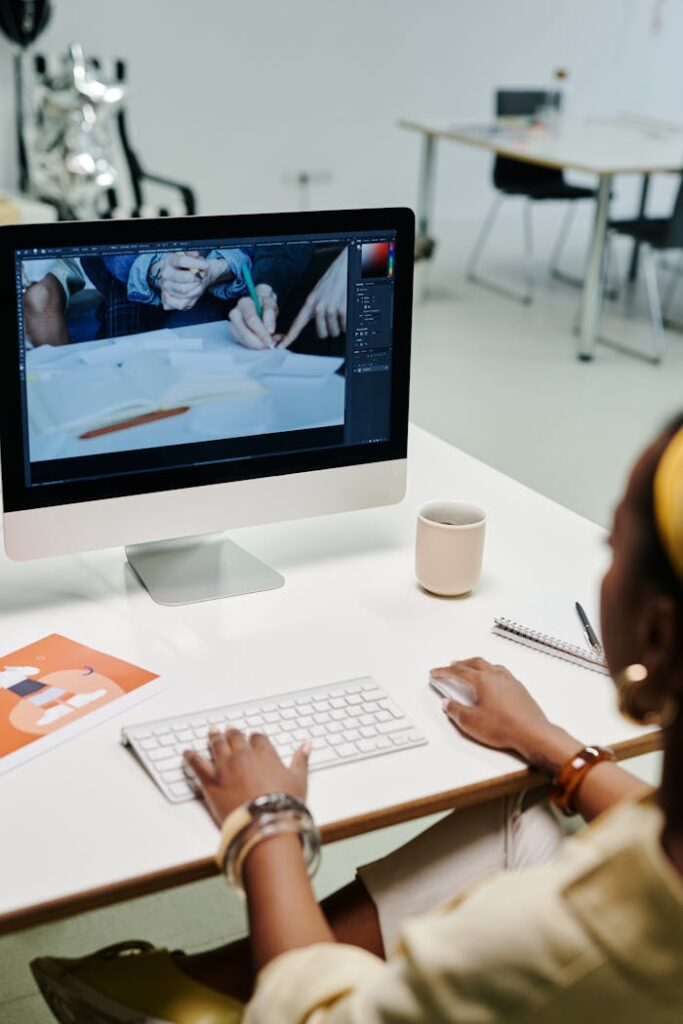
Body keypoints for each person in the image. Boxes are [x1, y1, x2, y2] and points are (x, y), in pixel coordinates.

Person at [30, 413, 683, 1023]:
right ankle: (206, 984)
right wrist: (551, 743)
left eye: (612, 544)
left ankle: (219, 993)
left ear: (655, 634)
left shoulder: (570, 944)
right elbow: (656, 825)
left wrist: (266, 823)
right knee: (524, 811)